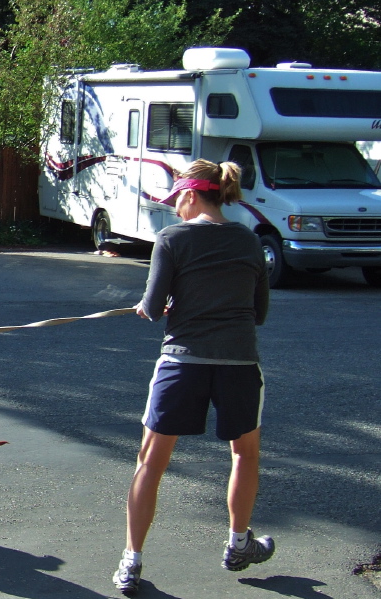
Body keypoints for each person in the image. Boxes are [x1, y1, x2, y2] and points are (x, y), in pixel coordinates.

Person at [113, 159, 273, 595]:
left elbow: (152, 304)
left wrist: (153, 306)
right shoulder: (248, 240)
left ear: (190, 195)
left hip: (182, 363)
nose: (173, 210)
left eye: (175, 201)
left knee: (150, 462)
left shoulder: (171, 238)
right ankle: (239, 544)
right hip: (239, 362)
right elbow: (258, 313)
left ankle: (132, 560)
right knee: (245, 455)